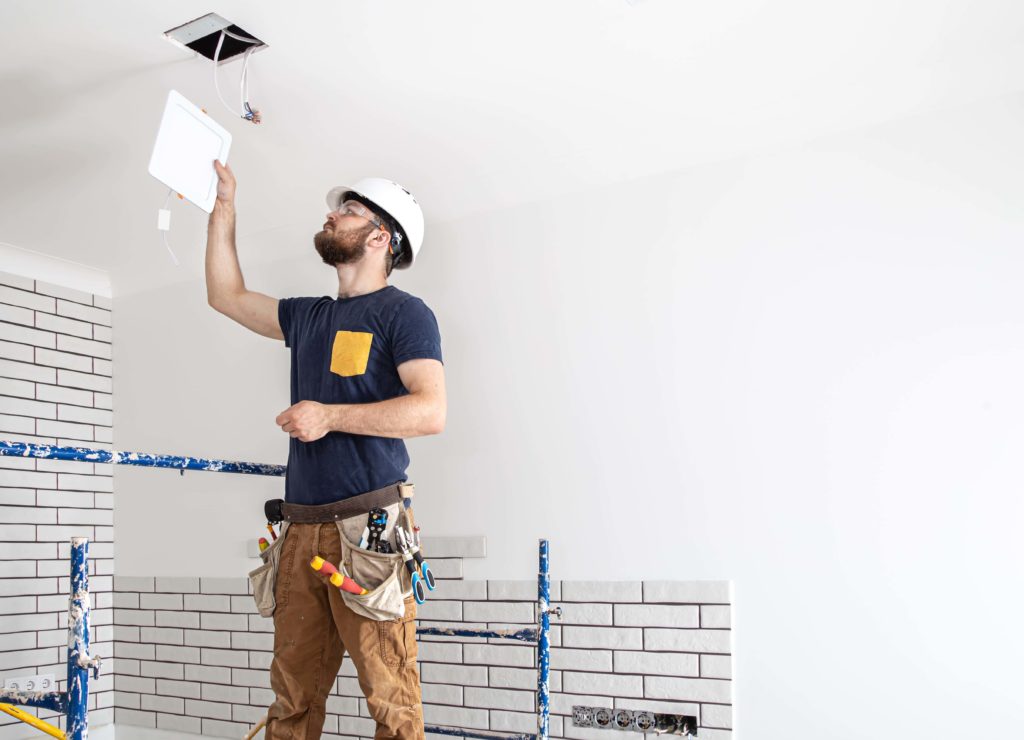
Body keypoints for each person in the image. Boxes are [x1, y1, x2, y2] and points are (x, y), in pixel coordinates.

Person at [205, 160, 446, 740]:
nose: (332, 216)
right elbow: (226, 295)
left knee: (391, 703)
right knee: (292, 700)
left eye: (349, 211)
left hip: (368, 533)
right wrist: (224, 210)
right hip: (302, 529)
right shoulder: (309, 316)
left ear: (379, 236)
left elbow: (430, 411)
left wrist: (330, 415)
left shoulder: (404, 314)